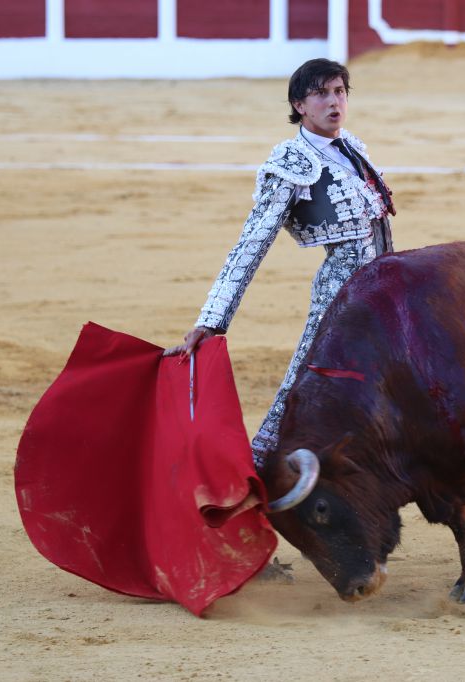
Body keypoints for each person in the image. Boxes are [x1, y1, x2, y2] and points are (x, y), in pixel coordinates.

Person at [165, 58, 395, 470]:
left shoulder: (352, 147)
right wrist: (212, 320)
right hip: (341, 294)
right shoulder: (290, 165)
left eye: (340, 91)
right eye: (321, 93)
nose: (334, 101)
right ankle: (254, 472)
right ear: (299, 105)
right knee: (304, 384)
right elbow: (250, 246)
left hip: (385, 287)